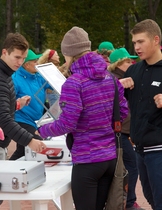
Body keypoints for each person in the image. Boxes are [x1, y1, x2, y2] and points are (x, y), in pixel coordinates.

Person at [38, 26, 128, 210]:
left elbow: (67, 123)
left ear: (69, 54)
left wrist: (42, 130)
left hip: (87, 160)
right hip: (110, 157)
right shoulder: (110, 78)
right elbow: (123, 112)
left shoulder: (74, 82)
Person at [0, 33, 47, 209]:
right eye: (17, 57)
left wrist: (16, 104)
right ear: (4, 52)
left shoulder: (2, 73)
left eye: (23, 58)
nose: (20, 62)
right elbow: (2, 118)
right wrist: (29, 140)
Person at [120, 19, 162, 210]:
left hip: (160, 150)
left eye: (141, 41)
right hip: (140, 150)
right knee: (152, 199)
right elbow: (115, 104)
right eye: (134, 42)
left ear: (155, 40)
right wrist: (118, 88)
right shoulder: (133, 70)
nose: (136, 47)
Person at [108, 48, 144, 210]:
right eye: (128, 61)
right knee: (132, 166)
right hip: (118, 133)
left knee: (127, 167)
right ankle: (129, 203)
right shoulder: (115, 80)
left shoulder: (124, 78)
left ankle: (126, 202)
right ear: (119, 63)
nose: (132, 63)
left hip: (124, 132)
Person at [9, 49, 51, 160]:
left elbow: (52, 84)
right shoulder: (15, 79)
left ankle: (11, 167)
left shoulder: (38, 76)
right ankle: (10, 169)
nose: (37, 63)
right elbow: (10, 100)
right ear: (26, 65)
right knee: (34, 143)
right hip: (22, 119)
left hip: (36, 119)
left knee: (22, 150)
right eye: (35, 61)